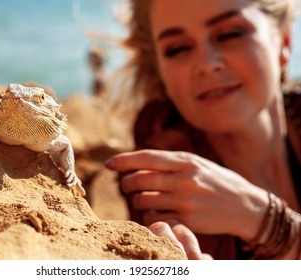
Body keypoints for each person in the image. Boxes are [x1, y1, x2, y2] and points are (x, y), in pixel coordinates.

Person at [105, 0, 301, 259]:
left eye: (230, 34)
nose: (207, 64)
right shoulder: (160, 179)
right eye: (177, 49)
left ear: (284, 41)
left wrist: (267, 223)